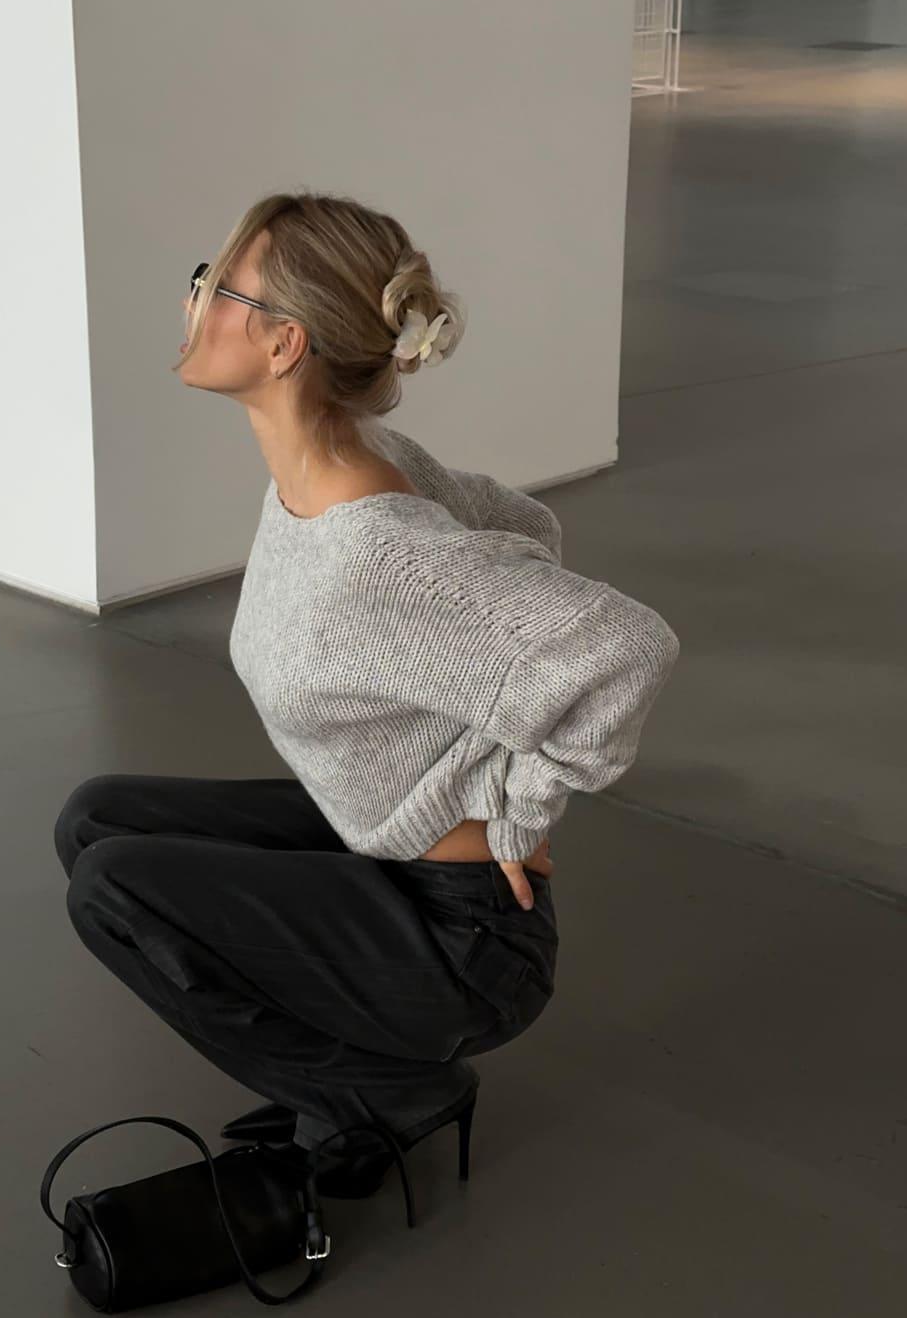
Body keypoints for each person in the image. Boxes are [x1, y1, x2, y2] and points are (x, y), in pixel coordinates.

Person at [55, 189, 680, 1201]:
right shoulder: (350, 463)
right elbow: (519, 527)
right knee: (96, 823)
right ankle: (350, 1065)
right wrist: (473, 704)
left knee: (112, 889)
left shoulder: (376, 547)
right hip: (374, 852)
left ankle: (382, 1094)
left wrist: (519, 805)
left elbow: (627, 646)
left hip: (461, 941)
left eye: (216, 285)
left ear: (283, 341)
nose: (193, 302)